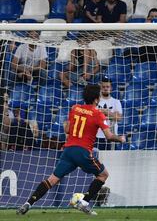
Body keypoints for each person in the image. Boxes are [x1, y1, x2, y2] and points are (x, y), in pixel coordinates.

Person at [16, 85, 125, 215]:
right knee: (103, 175)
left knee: (52, 180)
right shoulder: (98, 114)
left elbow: (67, 129)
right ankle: (83, 203)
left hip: (68, 151)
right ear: (97, 99)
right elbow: (108, 136)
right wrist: (121, 139)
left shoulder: (75, 108)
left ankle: (28, 203)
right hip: (83, 152)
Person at [96, 77, 124, 150]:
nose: (105, 88)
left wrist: (106, 112)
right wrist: (112, 115)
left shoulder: (116, 102)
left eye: (107, 87)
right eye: (103, 87)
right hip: (96, 136)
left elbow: (119, 118)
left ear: (111, 88)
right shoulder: (95, 101)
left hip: (112, 136)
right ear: (100, 88)